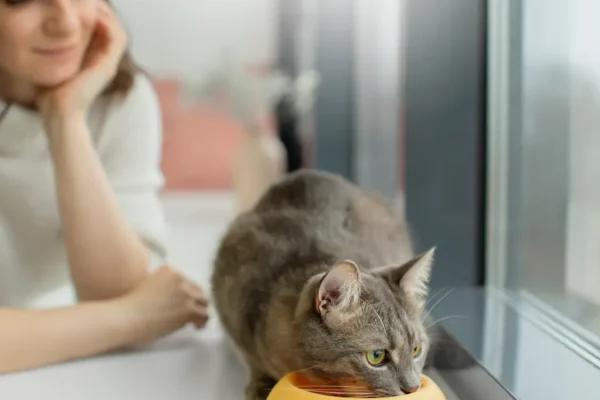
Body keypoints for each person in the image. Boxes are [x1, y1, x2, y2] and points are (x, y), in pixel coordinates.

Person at [0, 0, 208, 374]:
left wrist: (65, 119)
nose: (64, 22)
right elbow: (130, 306)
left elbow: (114, 291)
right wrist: (133, 317)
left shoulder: (117, 98)